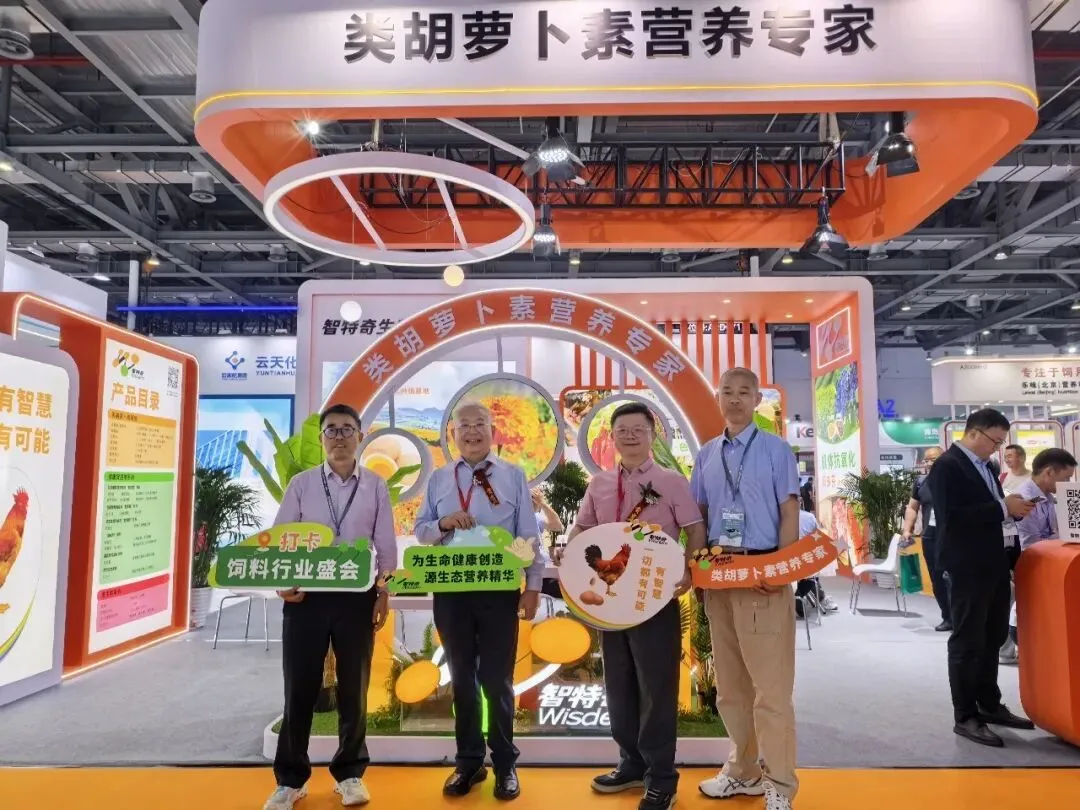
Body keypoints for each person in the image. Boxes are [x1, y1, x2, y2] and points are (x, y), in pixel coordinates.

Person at [559, 402, 705, 810]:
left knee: (656, 687)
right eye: (621, 430)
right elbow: (583, 527)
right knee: (619, 684)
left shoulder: (672, 481)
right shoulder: (599, 484)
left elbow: (695, 530)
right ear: (612, 437)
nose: (629, 436)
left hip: (653, 598)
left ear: (652, 435)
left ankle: (662, 777)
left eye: (638, 429)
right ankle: (631, 763)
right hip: (610, 604)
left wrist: (690, 569)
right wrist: (569, 554)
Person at [265, 404, 396, 810]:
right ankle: (291, 780)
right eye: (332, 430)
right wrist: (283, 585)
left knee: (354, 688)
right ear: (322, 438)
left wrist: (384, 591)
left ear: (360, 436)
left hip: (357, 596)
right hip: (306, 597)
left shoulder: (375, 485)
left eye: (347, 429)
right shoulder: (302, 485)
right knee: (299, 688)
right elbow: (282, 536)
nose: (339, 437)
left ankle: (350, 774)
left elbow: (385, 542)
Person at [413, 401, 542, 801]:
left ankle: (505, 764)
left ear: (492, 431)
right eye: (464, 425)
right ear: (452, 434)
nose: (471, 431)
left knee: (497, 680)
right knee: (462, 679)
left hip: (499, 589)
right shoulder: (439, 478)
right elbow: (421, 531)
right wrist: (444, 522)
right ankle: (468, 762)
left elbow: (527, 534)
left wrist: (533, 585)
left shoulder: (513, 476)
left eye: (479, 424)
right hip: (451, 590)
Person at [691, 368, 802, 810]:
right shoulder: (706, 454)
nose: (735, 399)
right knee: (731, 688)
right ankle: (743, 771)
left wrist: (781, 570)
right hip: (719, 575)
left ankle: (780, 784)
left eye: (744, 392)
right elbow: (699, 518)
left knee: (771, 690)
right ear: (718, 398)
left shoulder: (776, 450)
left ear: (757, 399)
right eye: (727, 392)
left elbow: (789, 512)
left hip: (762, 573)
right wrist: (699, 574)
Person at [928, 408, 1036, 748]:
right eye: (995, 441)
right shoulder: (947, 466)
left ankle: (989, 703)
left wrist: (1011, 510)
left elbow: (989, 512)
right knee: (967, 641)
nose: (998, 448)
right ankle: (965, 715)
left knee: (993, 636)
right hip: (966, 565)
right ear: (974, 433)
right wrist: (1004, 508)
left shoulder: (987, 466)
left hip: (993, 561)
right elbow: (951, 517)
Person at [1001, 448, 1078, 664]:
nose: (1067, 483)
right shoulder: (1025, 499)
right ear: (1049, 472)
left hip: (1045, 563)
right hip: (1030, 565)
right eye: (1065, 477)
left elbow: (1052, 533)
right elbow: (1029, 543)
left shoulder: (1048, 498)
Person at [902, 446, 951, 631]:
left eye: (934, 459)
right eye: (927, 460)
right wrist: (907, 529)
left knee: (953, 578)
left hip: (952, 537)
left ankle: (960, 617)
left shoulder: (954, 481)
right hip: (930, 537)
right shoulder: (921, 482)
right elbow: (912, 507)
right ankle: (947, 617)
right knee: (937, 578)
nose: (930, 463)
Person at [532, 489, 565, 600]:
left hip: (548, 572)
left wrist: (543, 504)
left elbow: (558, 526)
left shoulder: (535, 517)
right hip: (539, 578)